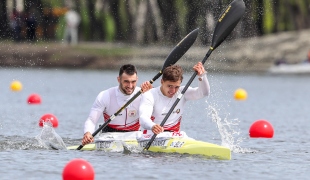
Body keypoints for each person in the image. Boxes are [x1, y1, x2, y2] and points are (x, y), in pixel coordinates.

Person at [82, 64, 152, 145]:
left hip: (134, 135)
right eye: (126, 81)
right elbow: (91, 120)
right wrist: (87, 133)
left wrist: (151, 92)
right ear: (119, 79)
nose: (130, 86)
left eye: (133, 82)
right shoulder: (105, 96)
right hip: (109, 136)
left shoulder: (144, 94)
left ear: (137, 79)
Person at [139, 62, 210, 135]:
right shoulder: (150, 95)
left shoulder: (182, 92)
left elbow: (204, 93)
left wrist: (202, 76)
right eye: (169, 86)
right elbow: (143, 118)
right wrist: (153, 126)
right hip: (151, 136)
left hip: (175, 137)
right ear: (162, 81)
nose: (173, 91)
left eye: (176, 87)